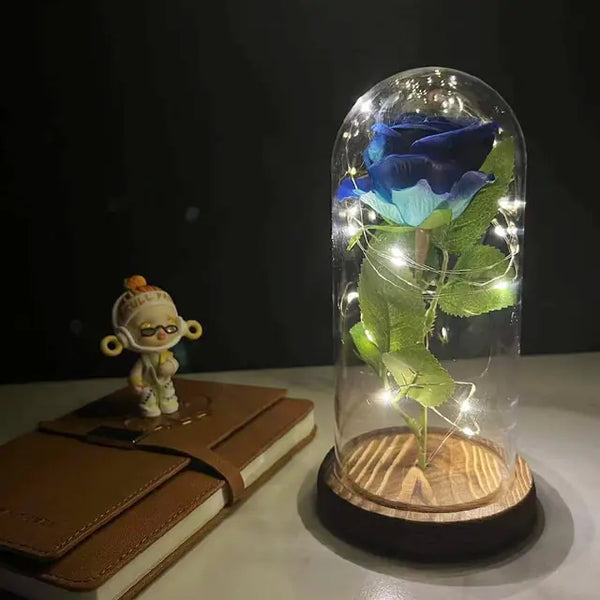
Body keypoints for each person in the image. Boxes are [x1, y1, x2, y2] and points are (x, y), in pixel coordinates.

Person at [101, 275, 202, 417]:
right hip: (147, 386)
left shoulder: (166, 354)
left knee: (168, 397)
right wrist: (135, 380)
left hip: (165, 382)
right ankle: (150, 409)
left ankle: (168, 404)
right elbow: (136, 372)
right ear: (126, 336)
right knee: (149, 400)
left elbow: (174, 363)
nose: (162, 333)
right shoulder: (144, 359)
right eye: (148, 329)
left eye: (170, 326)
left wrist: (170, 367)